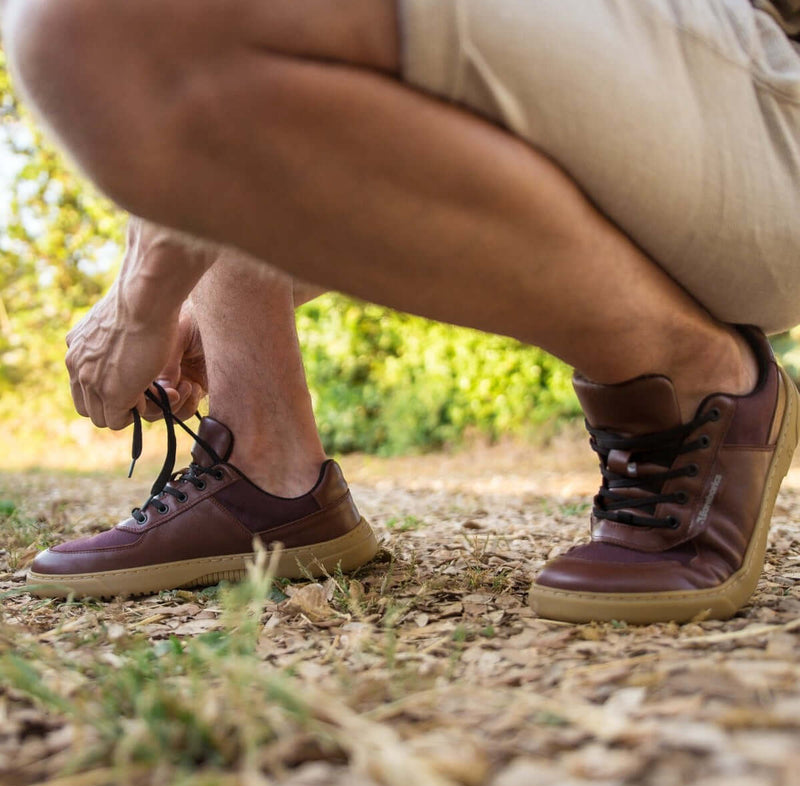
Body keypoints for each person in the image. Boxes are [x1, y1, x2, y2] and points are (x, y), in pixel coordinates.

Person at [5, 0, 800, 623]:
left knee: (98, 27)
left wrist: (146, 290)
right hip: (668, 97)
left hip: (769, 90)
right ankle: (266, 467)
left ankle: (688, 375)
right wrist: (211, 300)